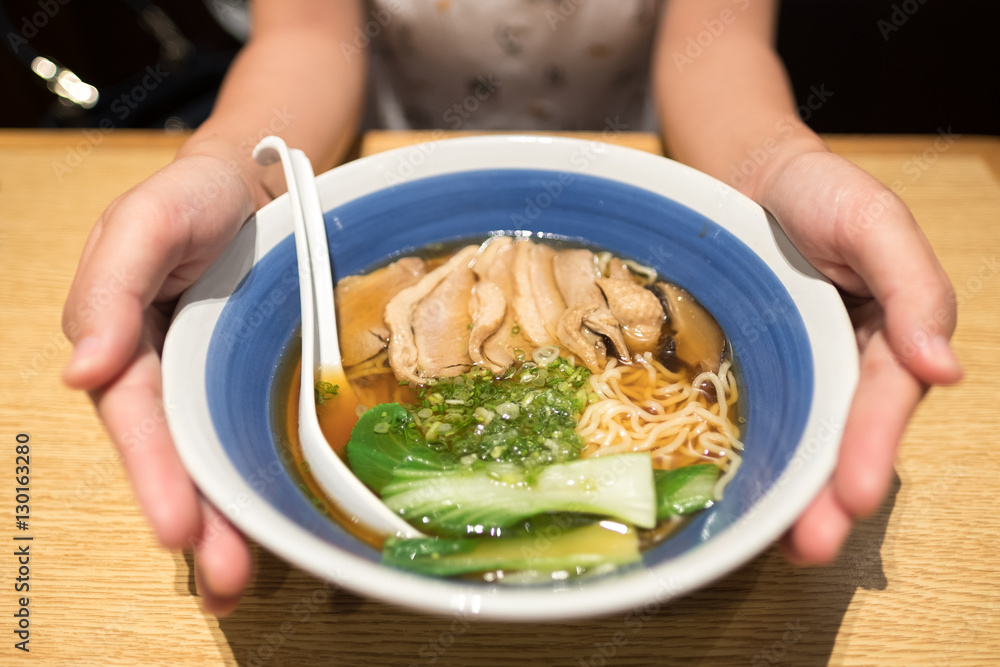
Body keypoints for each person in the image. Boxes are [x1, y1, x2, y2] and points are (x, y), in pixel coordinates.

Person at [61, 0, 962, 616]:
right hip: (383, 151)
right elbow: (304, 34)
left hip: (650, 156)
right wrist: (229, 167)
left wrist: (776, 169)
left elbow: (718, 43)